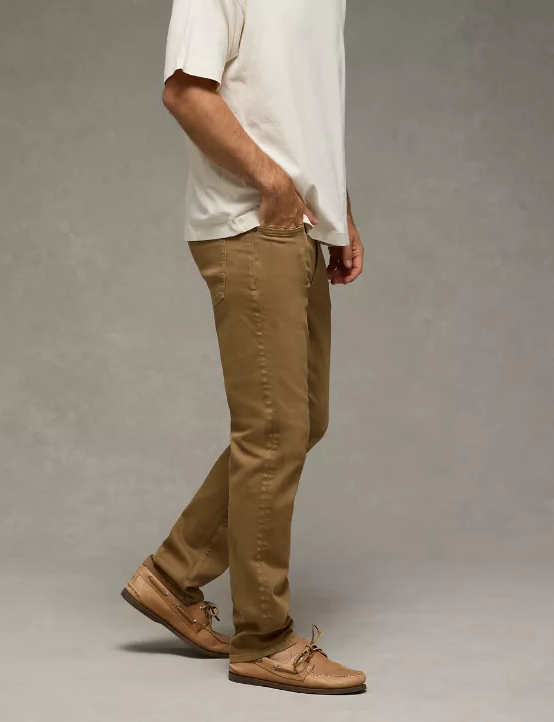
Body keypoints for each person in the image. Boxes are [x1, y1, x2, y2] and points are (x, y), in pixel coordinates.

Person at [122, 0, 365, 695]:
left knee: (302, 420)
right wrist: (273, 182)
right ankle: (264, 640)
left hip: (298, 224)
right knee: (272, 430)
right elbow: (185, 92)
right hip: (248, 220)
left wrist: (338, 211)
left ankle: (172, 575)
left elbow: (303, 112)